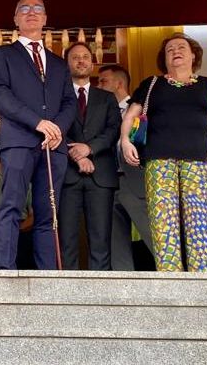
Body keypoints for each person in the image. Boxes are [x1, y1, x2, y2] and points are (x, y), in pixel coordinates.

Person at [0, 0, 76, 269]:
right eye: (24, 8)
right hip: (18, 141)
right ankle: (5, 269)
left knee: (48, 213)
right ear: (15, 19)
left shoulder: (59, 63)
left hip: (53, 146)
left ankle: (47, 274)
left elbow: (69, 102)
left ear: (45, 19)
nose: (31, 12)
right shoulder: (2, 55)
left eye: (38, 8)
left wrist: (56, 128)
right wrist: (38, 123)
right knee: (11, 206)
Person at [120, 33, 207, 272]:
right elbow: (131, 116)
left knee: (199, 223)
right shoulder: (153, 83)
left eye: (181, 47)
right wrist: (125, 141)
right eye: (169, 49)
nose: (175, 51)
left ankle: (203, 279)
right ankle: (169, 278)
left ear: (194, 54)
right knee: (164, 224)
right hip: (159, 160)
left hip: (198, 161)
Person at [59, 43, 120, 270]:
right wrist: (77, 154)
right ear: (67, 64)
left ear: (92, 63)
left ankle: (101, 297)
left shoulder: (106, 98)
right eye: (75, 57)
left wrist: (89, 149)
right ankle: (66, 296)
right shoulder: (57, 97)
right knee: (67, 241)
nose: (81, 61)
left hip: (101, 176)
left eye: (85, 57)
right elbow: (55, 129)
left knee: (101, 240)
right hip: (66, 175)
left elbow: (114, 130)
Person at [98, 64, 154, 270]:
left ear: (119, 83)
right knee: (115, 240)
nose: (98, 85)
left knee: (152, 235)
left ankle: (172, 280)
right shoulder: (100, 111)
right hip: (107, 180)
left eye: (103, 81)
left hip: (134, 179)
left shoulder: (140, 108)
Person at [0, 156, 35, 269]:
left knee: (24, 263)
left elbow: (33, 215)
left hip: (21, 231)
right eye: (2, 159)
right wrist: (0, 230)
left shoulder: (27, 186)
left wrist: (16, 230)